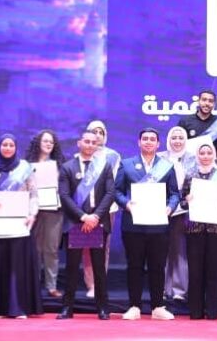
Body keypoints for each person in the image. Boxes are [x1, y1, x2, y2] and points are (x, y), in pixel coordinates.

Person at [114, 127, 179, 321]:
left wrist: (170, 208)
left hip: (159, 225)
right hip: (133, 225)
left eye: (152, 139)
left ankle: (158, 306)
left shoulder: (166, 166)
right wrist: (127, 204)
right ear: (139, 142)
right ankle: (134, 306)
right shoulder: (126, 164)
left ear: (158, 144)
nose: (148, 142)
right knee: (134, 265)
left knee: (157, 267)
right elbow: (116, 191)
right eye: (145, 139)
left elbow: (174, 194)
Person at [0, 134, 42, 318]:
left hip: (20, 224)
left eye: (11, 145)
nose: (7, 148)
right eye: (4, 144)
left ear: (15, 147)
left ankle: (18, 308)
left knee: (17, 266)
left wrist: (32, 214)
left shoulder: (25, 169)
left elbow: (34, 195)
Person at [56, 129, 115, 321]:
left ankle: (103, 308)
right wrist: (83, 217)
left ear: (97, 145)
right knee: (72, 268)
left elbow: (110, 194)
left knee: (99, 268)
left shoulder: (104, 166)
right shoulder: (67, 167)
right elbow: (64, 196)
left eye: (93, 142)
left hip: (98, 222)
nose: (90, 145)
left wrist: (95, 216)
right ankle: (67, 308)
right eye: (86, 141)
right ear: (79, 143)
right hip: (75, 223)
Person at [181, 143, 217, 319]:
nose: (205, 155)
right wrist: (187, 200)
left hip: (216, 228)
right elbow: (182, 201)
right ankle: (195, 310)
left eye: (209, 152)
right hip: (194, 228)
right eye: (202, 153)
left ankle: (212, 310)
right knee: (195, 270)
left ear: (214, 155)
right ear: (197, 155)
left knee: (214, 270)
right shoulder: (190, 175)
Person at [82, 120, 120, 299]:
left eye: (101, 132)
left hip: (107, 208)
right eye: (94, 132)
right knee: (86, 247)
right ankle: (90, 284)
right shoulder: (80, 156)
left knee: (103, 247)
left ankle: (100, 284)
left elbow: (114, 184)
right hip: (85, 210)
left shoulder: (113, 156)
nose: (97, 135)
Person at [27, 129, 66, 298]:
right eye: (45, 141)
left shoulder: (60, 165)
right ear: (38, 143)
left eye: (51, 142)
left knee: (51, 249)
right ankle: (33, 284)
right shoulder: (27, 165)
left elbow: (66, 188)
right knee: (34, 249)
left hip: (54, 211)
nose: (49, 144)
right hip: (33, 212)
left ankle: (51, 286)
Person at [159, 126, 194, 300]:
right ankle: (163, 289)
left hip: (185, 211)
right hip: (162, 210)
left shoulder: (194, 158)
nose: (177, 141)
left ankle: (180, 290)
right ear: (168, 140)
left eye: (181, 138)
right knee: (162, 250)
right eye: (174, 137)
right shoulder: (159, 158)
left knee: (180, 250)